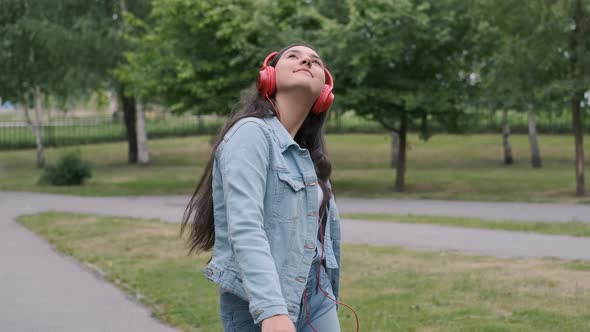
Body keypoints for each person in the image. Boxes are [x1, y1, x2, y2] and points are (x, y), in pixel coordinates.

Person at [181, 43, 345, 332]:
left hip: (316, 296)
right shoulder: (251, 134)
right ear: (268, 77)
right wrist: (272, 309)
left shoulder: (310, 155)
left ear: (324, 93)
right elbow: (245, 227)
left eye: (315, 61)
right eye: (294, 56)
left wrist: (329, 294)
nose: (306, 60)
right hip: (257, 300)